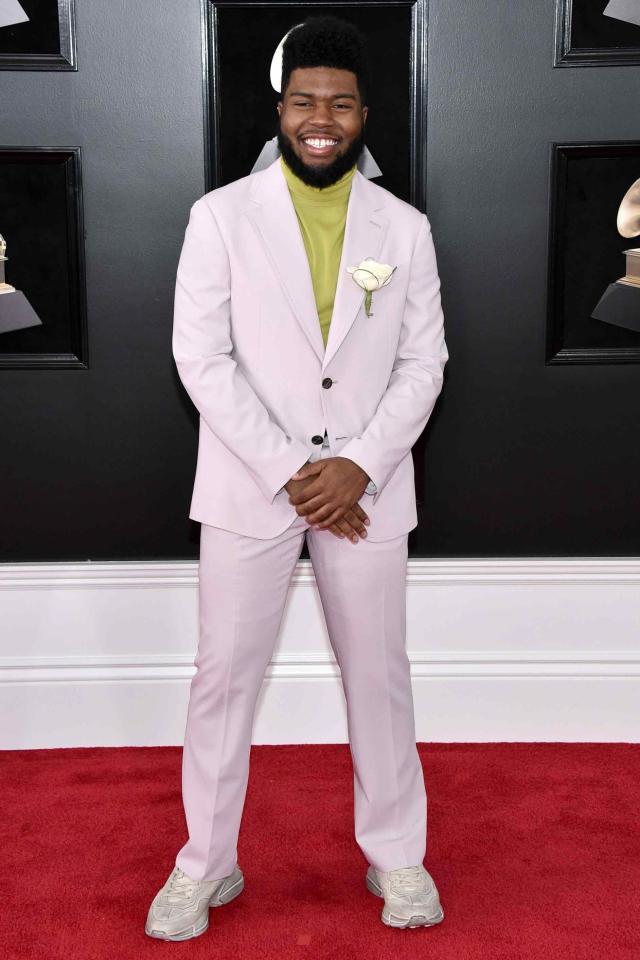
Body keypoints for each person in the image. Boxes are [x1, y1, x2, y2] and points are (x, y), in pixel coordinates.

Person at [146, 14, 449, 940]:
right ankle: (205, 865)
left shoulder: (405, 227)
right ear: (280, 110)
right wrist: (294, 473)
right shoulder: (220, 217)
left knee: (379, 678)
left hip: (368, 492)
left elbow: (423, 363)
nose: (322, 119)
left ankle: (399, 859)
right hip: (249, 487)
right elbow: (200, 360)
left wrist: (356, 464)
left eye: (341, 104)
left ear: (365, 115)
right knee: (223, 680)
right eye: (304, 102)